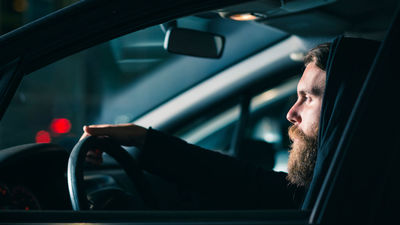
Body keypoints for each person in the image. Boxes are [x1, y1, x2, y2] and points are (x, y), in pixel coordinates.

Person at [80, 36, 379, 210]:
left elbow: (241, 182)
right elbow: (240, 180)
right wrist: (140, 138)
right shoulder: (333, 190)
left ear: (346, 108)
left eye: (308, 97)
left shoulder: (360, 205)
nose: (291, 113)